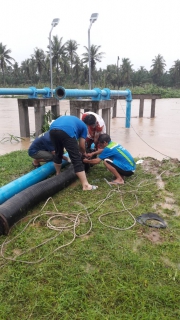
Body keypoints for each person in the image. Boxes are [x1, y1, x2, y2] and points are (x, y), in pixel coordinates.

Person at [49, 115, 98, 191]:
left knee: (58, 152)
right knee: (76, 158)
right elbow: (81, 145)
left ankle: (58, 174)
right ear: (90, 125)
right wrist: (84, 153)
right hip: (66, 131)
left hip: (52, 129)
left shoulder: (76, 120)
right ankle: (86, 186)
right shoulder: (84, 127)